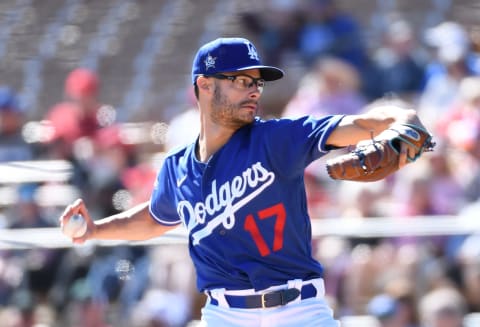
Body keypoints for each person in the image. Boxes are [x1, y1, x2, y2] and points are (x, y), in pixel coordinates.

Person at [59, 37, 429, 326]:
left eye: (257, 82)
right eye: (240, 80)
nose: (254, 89)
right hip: (224, 315)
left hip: (297, 311)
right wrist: (94, 231)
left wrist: (405, 118)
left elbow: (367, 123)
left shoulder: (277, 139)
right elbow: (156, 218)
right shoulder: (177, 167)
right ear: (204, 85)